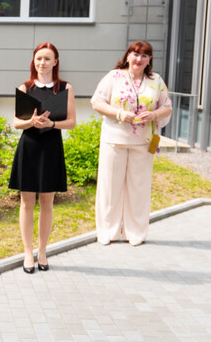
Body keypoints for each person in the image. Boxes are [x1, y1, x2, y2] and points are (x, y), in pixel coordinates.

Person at [91, 40, 172, 246]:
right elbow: (96, 102)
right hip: (114, 140)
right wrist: (118, 113)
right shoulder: (114, 77)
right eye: (135, 54)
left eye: (144, 55)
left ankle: (135, 232)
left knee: (139, 189)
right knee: (110, 188)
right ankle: (107, 231)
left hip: (143, 143)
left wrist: (154, 115)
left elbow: (167, 107)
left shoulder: (156, 80)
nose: (139, 59)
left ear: (149, 60)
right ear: (127, 56)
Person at [9, 42, 76, 273]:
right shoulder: (25, 88)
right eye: (39, 58)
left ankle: (43, 251)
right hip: (29, 147)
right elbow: (16, 122)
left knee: (47, 203)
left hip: (51, 148)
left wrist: (51, 124)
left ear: (55, 62)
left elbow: (72, 122)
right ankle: (28, 253)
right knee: (27, 203)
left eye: (47, 58)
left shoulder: (65, 88)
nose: (42, 63)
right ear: (34, 61)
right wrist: (32, 121)